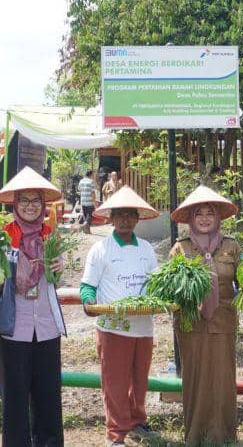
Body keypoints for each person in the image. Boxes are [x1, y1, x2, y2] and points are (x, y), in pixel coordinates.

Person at [0, 167, 67, 447]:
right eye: (24, 201)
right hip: (13, 328)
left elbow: (57, 279)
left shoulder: (51, 234)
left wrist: (59, 267)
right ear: (15, 204)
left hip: (46, 326)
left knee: (48, 395)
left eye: (35, 201)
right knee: (15, 397)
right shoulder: (2, 237)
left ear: (43, 205)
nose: (30, 206)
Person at [169, 185, 243, 446]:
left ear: (218, 218)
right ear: (191, 219)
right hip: (189, 322)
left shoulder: (231, 247)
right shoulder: (180, 249)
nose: (204, 218)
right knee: (194, 377)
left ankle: (222, 434)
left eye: (210, 213)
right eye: (199, 214)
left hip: (223, 321)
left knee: (222, 377)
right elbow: (170, 285)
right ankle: (195, 435)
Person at [80, 187, 161, 447]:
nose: (125, 219)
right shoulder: (100, 249)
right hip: (112, 326)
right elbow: (87, 286)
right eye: (120, 215)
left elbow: (157, 282)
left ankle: (137, 421)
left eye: (130, 214)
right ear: (111, 218)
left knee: (139, 379)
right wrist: (88, 301)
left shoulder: (147, 249)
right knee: (114, 381)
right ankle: (116, 433)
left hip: (143, 325)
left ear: (137, 218)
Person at [79, 169, 97, 234]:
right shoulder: (91, 182)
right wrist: (94, 202)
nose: (94, 176)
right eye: (94, 174)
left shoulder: (81, 181)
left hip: (83, 201)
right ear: (91, 174)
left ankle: (87, 230)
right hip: (89, 201)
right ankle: (85, 224)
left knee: (85, 215)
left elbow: (79, 190)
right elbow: (93, 192)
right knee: (90, 215)